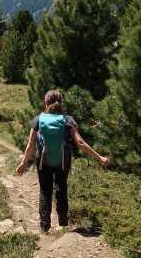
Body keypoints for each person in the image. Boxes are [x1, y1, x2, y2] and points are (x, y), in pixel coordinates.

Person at [15, 90, 110, 233]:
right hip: (63, 161)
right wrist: (100, 157)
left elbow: (31, 144)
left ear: (45, 102)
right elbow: (80, 143)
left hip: (43, 160)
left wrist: (24, 162)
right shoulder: (67, 120)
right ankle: (63, 223)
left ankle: (44, 227)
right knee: (61, 187)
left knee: (45, 191)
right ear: (61, 102)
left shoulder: (38, 119)